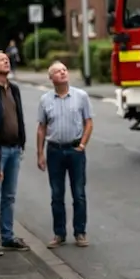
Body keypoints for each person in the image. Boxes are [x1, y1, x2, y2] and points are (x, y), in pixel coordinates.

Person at [36, 61, 93, 248]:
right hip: (54, 151)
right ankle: (59, 233)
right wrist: (40, 154)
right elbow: (41, 128)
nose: (62, 73)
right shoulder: (45, 100)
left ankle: (80, 232)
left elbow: (89, 122)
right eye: (57, 71)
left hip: (75, 150)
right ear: (51, 78)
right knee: (57, 194)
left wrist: (83, 144)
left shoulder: (81, 96)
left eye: (64, 70)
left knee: (79, 193)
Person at [0, 51, 30, 257]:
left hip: (14, 148)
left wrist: (22, 142)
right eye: (1, 59)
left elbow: (18, 115)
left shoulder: (14, 89)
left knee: (9, 196)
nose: (7, 60)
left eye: (7, 59)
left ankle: (8, 236)